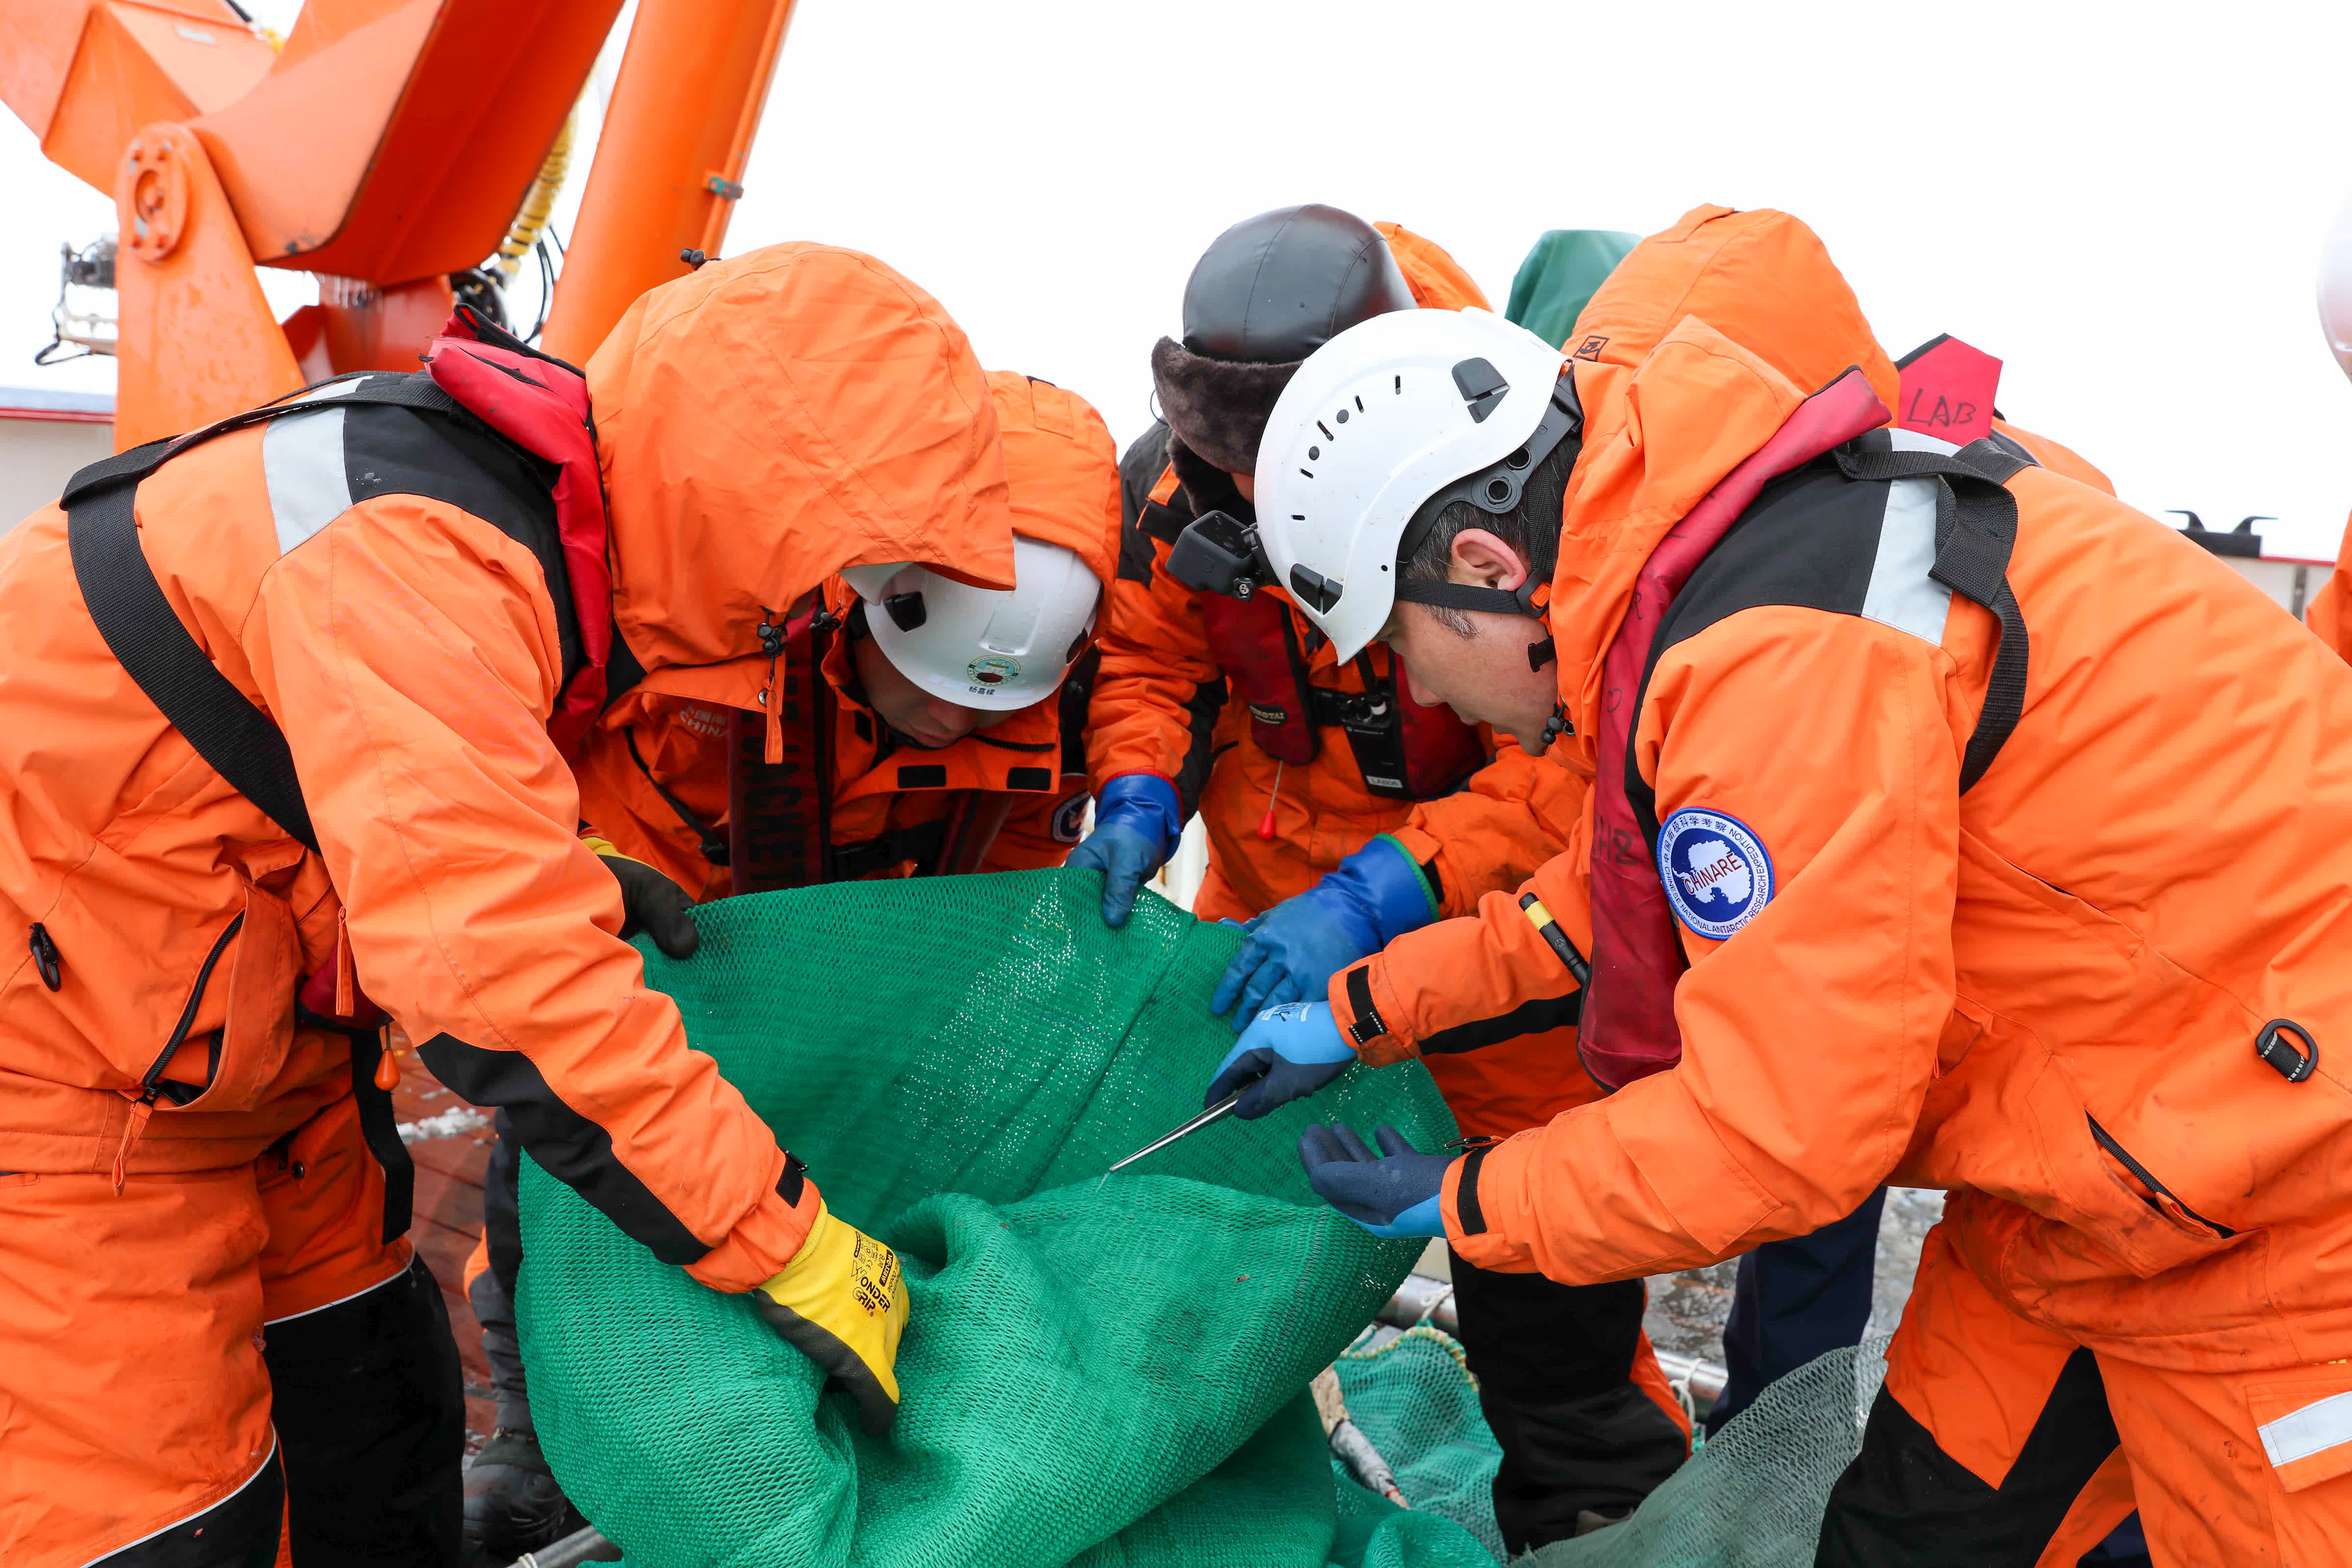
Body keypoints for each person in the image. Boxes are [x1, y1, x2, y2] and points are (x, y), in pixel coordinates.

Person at [1228, 201, 2352, 1563]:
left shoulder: (1769, 647)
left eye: (1399, 642)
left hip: (2288, 1204)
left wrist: (1471, 1200)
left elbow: (1782, 1135)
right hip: (2103, 1185)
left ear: (1483, 567)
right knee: (1897, 1539)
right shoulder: (1733, 570)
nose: (1410, 685)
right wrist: (1360, 1007)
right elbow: (1614, 898)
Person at [0, 244, 1012, 1568]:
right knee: (168, 1530)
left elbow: (362, 784)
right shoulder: (420, 546)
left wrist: (564, 862)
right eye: (815, 566)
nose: (802, 615)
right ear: (744, 502)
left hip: (248, 1059)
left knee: (382, 1439)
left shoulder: (513, 536)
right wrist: (793, 1249)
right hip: (67, 1093)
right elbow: (500, 980)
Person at [1078, 203, 1689, 1548]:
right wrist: (1135, 786)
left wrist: (1378, 898)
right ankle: (1204, 1491)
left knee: (1547, 1291)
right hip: (1263, 944)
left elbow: (1573, 774)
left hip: (1500, 947)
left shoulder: (1515, 501)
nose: (1251, 500)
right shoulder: (1173, 492)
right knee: (1218, 1238)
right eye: (1230, 471)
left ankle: (1607, 1525)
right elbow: (1149, 658)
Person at [462, 368, 1121, 1561]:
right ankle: (535, 1442)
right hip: (677, 964)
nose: (948, 726)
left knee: (856, 1204)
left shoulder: (1064, 717)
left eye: (984, 711)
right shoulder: (713, 653)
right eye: (925, 692)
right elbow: (534, 788)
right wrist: (601, 874)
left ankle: (806, 1430)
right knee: (570, 1159)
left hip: (880, 1000)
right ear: (871, 601)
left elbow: (1013, 901)